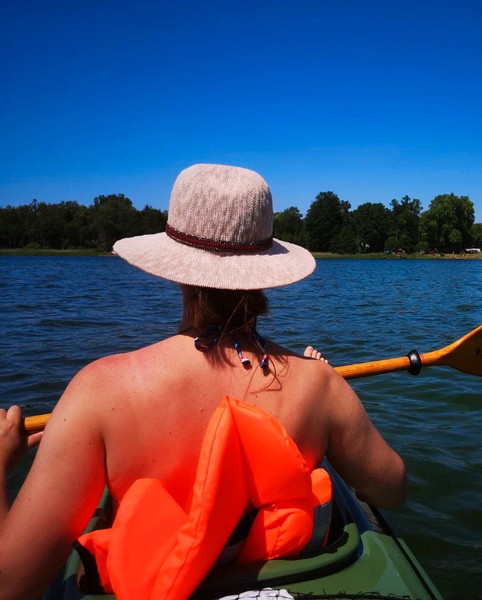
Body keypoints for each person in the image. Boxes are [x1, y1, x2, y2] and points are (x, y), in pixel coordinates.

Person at [0, 164, 406, 599]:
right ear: (267, 268)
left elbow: (12, 585)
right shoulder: (319, 384)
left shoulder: (99, 391)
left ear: (176, 269)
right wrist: (332, 403)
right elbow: (391, 487)